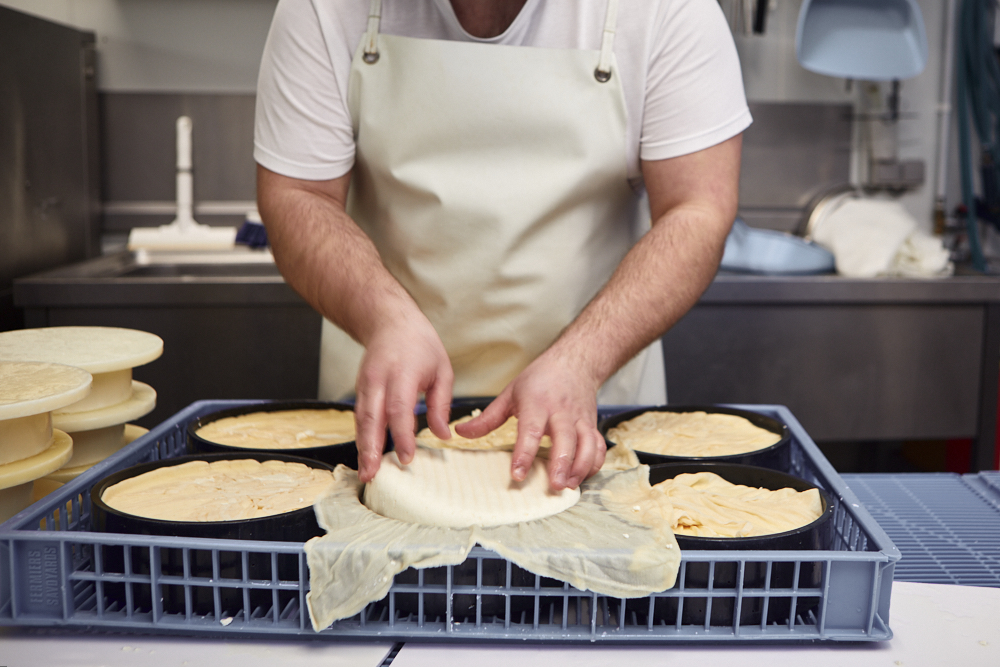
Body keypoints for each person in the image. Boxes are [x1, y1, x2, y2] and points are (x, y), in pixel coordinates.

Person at [254, 0, 750, 492]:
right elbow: (298, 195)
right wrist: (384, 317)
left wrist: (581, 361)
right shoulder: (324, 8)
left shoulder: (666, 10)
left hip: (587, 422)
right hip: (388, 426)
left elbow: (696, 209)